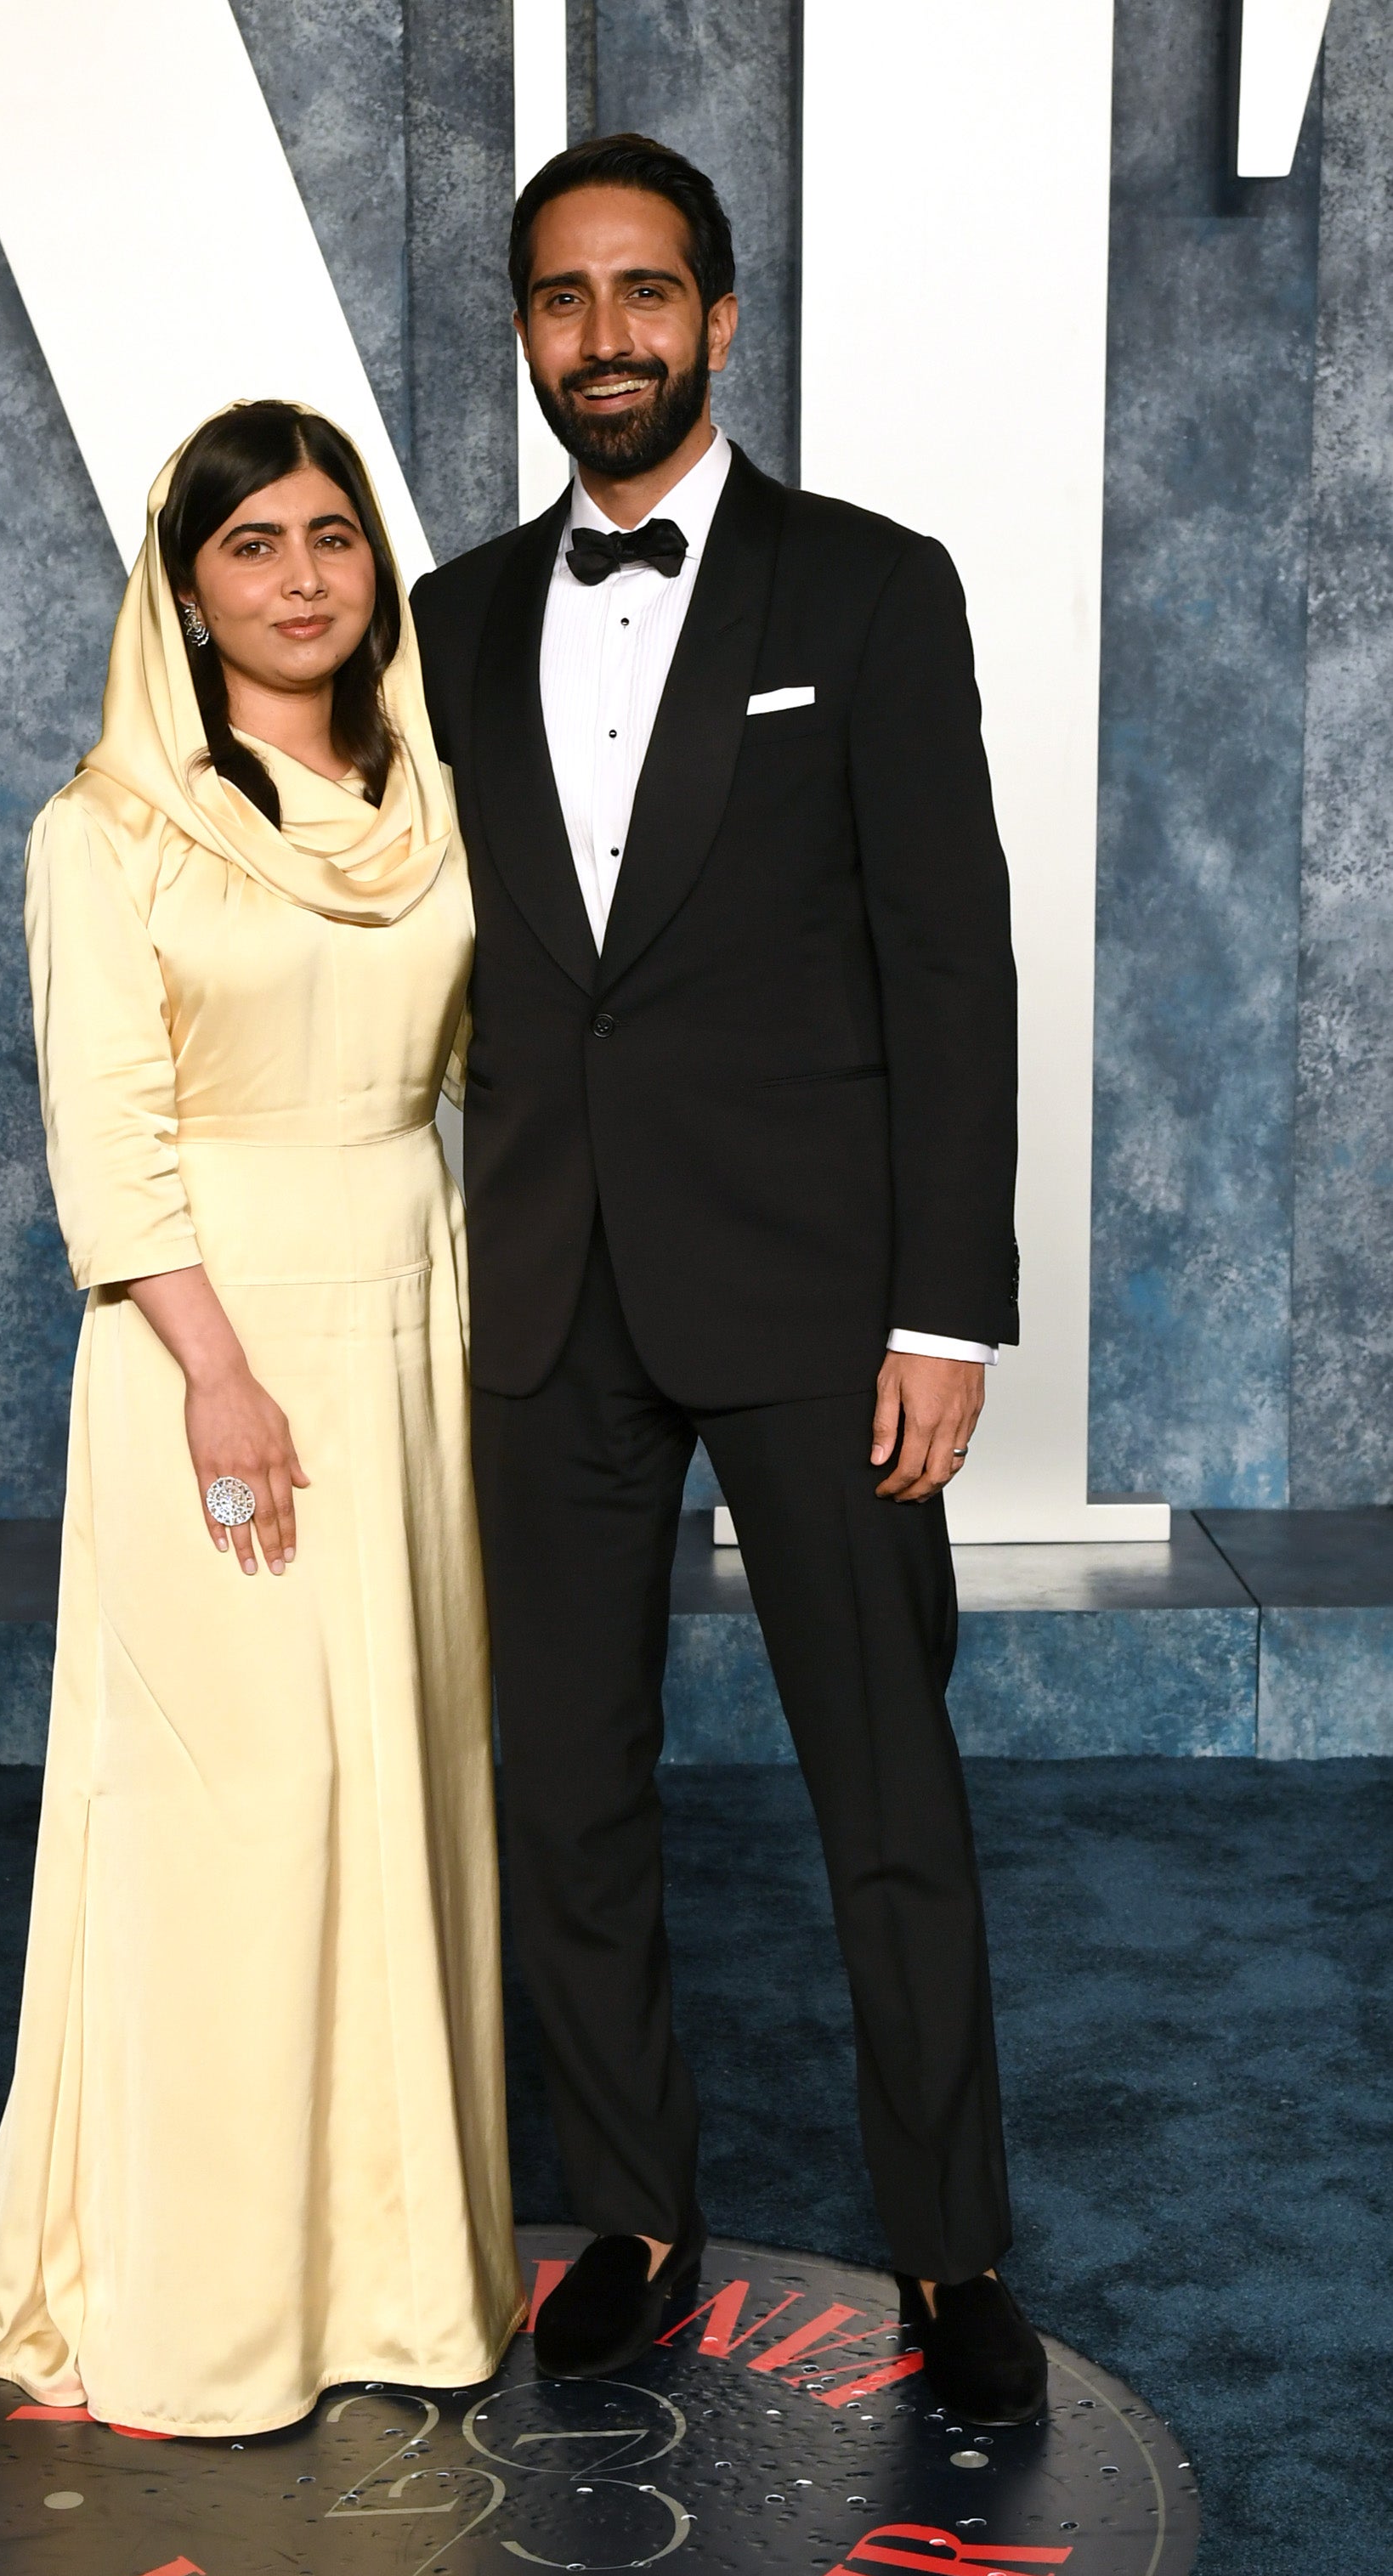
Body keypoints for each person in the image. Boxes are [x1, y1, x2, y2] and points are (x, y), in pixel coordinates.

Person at [0, 404, 524, 2437]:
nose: (303, 578)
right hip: (215, 1342)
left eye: (333, 534)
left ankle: (391, 2273)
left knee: (396, 1778)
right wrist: (220, 1371)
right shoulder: (104, 828)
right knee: (237, 1805)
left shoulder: (437, 796)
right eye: (250, 545)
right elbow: (108, 1133)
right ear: (184, 589)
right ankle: (207, 2297)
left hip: (408, 1302)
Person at [412, 135, 1047, 2425]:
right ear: (523, 327)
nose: (605, 336)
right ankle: (641, 2216)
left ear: (721, 317)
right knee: (567, 1790)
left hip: (815, 1299)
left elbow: (942, 961)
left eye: (644, 293)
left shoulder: (869, 591)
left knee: (884, 1788)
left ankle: (952, 2252)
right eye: (563, 298)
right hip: (547, 1292)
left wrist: (943, 1309)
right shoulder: (446, 615)